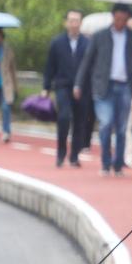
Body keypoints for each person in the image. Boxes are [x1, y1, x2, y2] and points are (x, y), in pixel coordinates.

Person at [77, 2, 132, 175]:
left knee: (121, 128)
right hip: (104, 86)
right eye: (118, 18)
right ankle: (105, 162)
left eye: (124, 19)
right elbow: (87, 61)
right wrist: (78, 84)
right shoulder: (100, 36)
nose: (120, 22)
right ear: (113, 17)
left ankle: (118, 164)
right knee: (106, 124)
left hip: (124, 86)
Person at [44, 10, 91, 167]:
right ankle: (61, 152)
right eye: (71, 20)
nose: (73, 24)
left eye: (76, 20)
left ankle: (74, 156)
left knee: (80, 121)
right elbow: (50, 66)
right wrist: (46, 87)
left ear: (81, 23)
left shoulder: (87, 43)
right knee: (63, 117)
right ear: (66, 23)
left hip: (83, 88)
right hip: (63, 86)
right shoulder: (57, 42)